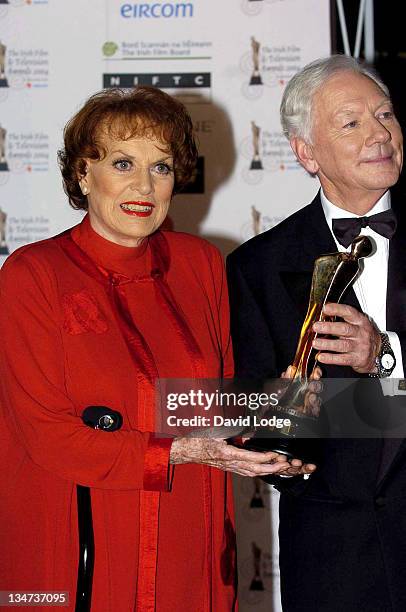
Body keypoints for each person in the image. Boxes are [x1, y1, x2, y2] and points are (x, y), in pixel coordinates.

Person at [0, 86, 295, 612]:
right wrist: (179, 451)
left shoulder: (199, 263)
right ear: (83, 175)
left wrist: (291, 431)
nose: (144, 185)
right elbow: (48, 436)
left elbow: (220, 405)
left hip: (193, 538)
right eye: (122, 163)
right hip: (85, 551)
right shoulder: (33, 273)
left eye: (161, 167)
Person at [227, 55, 406, 611]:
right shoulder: (258, 266)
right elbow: (258, 411)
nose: (379, 133)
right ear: (306, 152)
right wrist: (281, 443)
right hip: (333, 561)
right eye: (351, 122)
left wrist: (385, 355)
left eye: (385, 114)